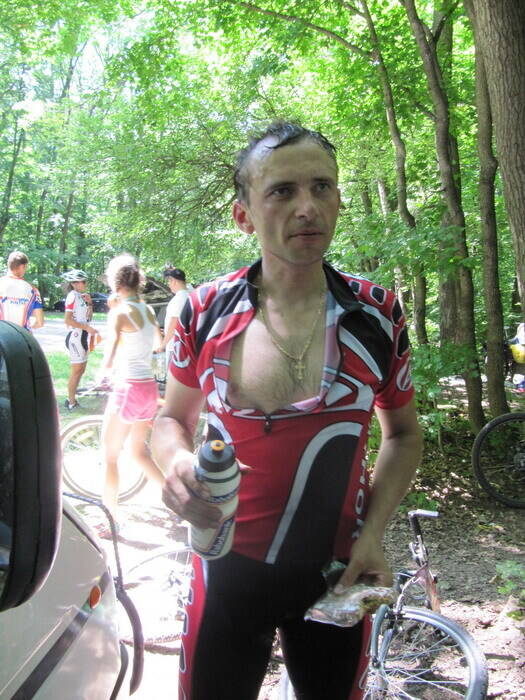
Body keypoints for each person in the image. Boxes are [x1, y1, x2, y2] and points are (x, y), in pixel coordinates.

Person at [151, 121, 423, 700]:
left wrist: (373, 533)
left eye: (322, 187)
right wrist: (174, 462)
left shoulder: (376, 315)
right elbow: (170, 420)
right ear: (243, 215)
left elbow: (402, 433)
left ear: (339, 200)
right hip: (223, 570)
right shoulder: (203, 312)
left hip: (337, 575)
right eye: (282, 191)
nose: (308, 207)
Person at [98, 254, 165, 533]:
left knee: (110, 456)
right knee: (138, 452)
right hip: (148, 389)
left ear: (115, 283)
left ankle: (110, 518)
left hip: (127, 388)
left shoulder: (119, 313)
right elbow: (159, 343)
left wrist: (101, 373)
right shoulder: (147, 311)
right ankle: (180, 500)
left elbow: (109, 355)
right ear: (139, 282)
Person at [62, 269, 98, 410]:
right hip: (75, 337)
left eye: (84, 281)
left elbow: (88, 318)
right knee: (76, 371)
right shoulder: (72, 296)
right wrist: (86, 328)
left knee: (81, 369)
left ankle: (72, 398)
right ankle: (71, 402)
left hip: (83, 336)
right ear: (74, 283)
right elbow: (67, 320)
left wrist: (90, 304)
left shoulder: (81, 296)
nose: (85, 283)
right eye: (83, 281)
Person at [0, 251, 44, 330]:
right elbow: (40, 323)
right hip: (22, 335)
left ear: (8, 265)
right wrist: (26, 330)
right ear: (22, 266)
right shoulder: (33, 290)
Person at [159, 267, 191, 369]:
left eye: (169, 281)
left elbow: (174, 324)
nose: (168, 284)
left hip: (175, 347)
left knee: (172, 376)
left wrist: (163, 345)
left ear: (173, 281)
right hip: (185, 345)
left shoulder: (179, 299)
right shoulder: (190, 295)